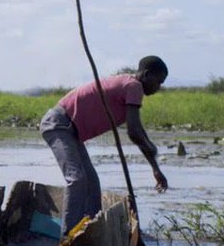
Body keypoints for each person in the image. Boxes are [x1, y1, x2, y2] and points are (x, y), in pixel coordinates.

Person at [40, 56, 170, 235]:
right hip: (59, 125)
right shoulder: (134, 86)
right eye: (158, 82)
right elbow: (134, 133)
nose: (158, 88)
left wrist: (155, 168)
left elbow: (138, 131)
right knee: (77, 179)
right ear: (146, 75)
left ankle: (91, 231)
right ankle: (68, 237)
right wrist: (150, 148)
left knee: (92, 183)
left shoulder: (130, 86)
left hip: (72, 132)